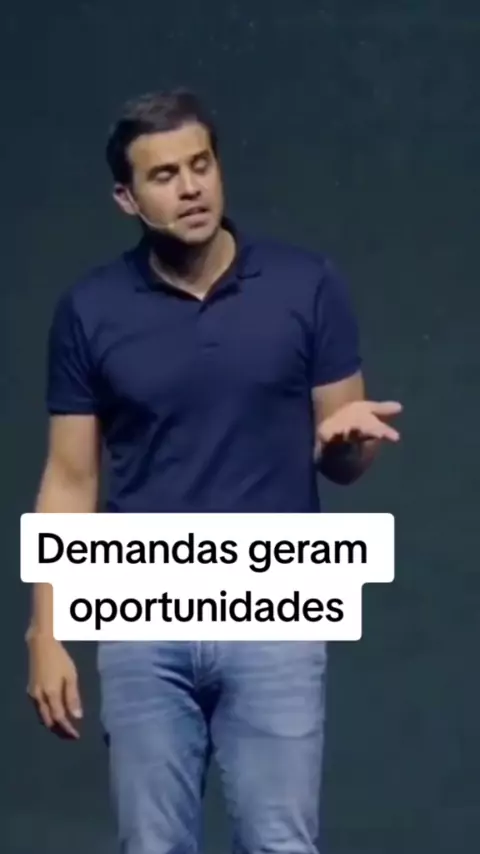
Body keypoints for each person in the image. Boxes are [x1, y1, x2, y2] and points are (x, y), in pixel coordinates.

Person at [26, 88, 402, 854]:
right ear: (127, 198)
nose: (191, 187)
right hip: (140, 614)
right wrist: (46, 629)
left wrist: (343, 445)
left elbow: (346, 460)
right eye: (164, 175)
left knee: (279, 845)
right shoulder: (90, 310)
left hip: (273, 607)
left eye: (201, 165)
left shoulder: (306, 285)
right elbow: (70, 481)